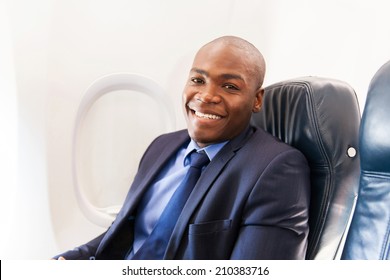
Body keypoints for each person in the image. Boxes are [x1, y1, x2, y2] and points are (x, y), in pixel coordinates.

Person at [53, 35, 310, 260]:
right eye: (198, 80)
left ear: (256, 100)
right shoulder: (161, 147)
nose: (207, 96)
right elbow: (126, 231)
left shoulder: (276, 169)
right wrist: (72, 258)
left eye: (230, 86)